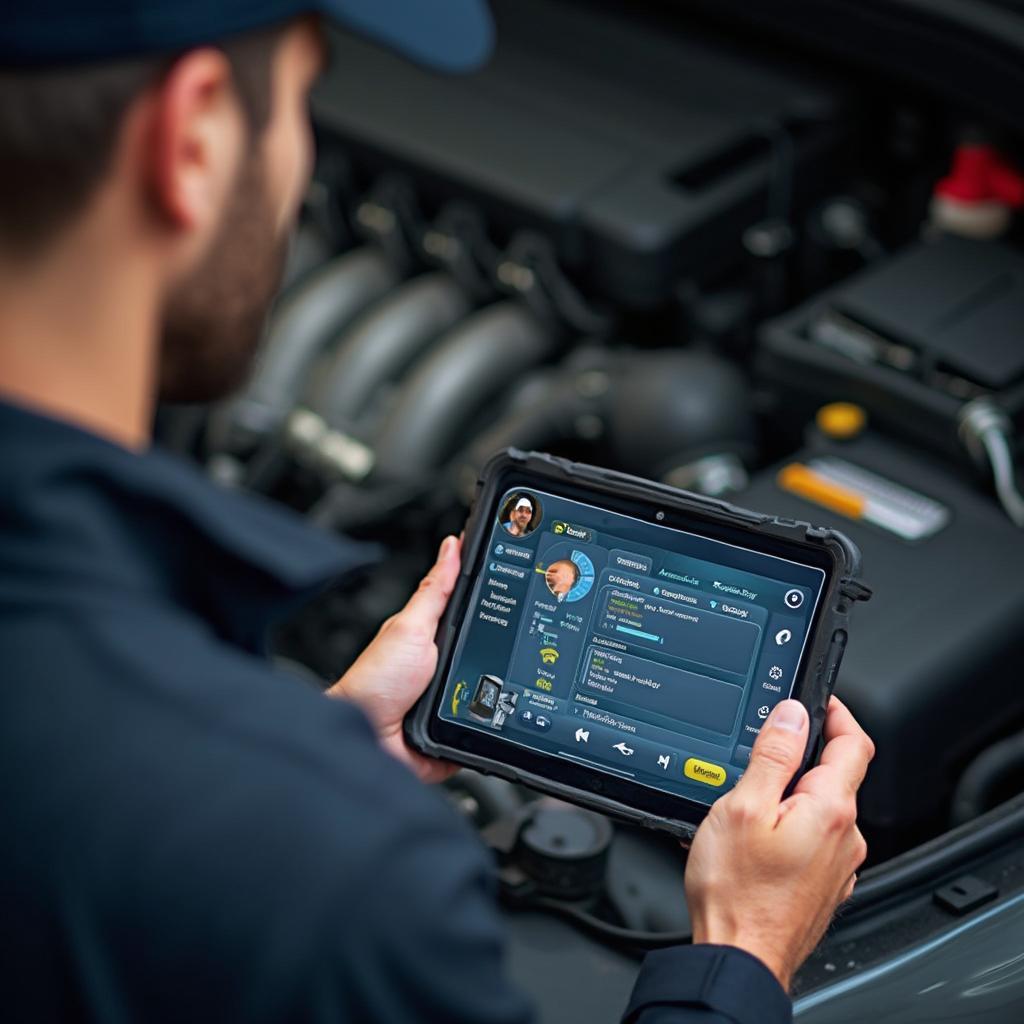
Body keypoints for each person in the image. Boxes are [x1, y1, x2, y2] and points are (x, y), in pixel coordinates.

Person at [0, 3, 875, 1022]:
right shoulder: (344, 887)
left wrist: (310, 759)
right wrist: (744, 950)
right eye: (297, 100)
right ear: (190, 137)